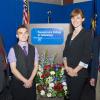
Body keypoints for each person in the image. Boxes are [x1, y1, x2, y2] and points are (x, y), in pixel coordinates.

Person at [63, 8, 92, 100]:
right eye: (73, 18)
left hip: (79, 73)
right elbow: (65, 52)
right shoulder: (69, 35)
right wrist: (67, 67)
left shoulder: (87, 34)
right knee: (69, 96)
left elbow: (87, 56)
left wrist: (74, 71)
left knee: (75, 97)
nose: (75, 20)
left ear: (83, 19)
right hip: (68, 71)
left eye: (78, 18)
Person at [8, 25, 39, 100]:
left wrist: (30, 80)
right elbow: (13, 69)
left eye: (25, 33)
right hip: (18, 85)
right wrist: (26, 81)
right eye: (20, 33)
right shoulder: (13, 50)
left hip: (31, 84)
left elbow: (36, 66)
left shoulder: (34, 48)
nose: (23, 35)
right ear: (17, 36)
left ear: (28, 34)